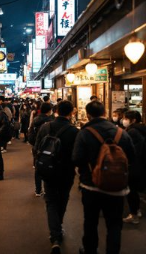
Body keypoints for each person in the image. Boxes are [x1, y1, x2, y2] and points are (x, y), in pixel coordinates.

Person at [72, 101, 135, 254]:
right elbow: (132, 157)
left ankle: (90, 250)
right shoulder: (121, 133)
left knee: (91, 222)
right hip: (117, 188)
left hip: (91, 186)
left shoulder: (85, 133)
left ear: (88, 115)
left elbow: (76, 159)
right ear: (105, 113)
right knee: (114, 224)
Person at [34, 101, 79, 253]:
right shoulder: (74, 131)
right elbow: (77, 155)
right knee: (63, 198)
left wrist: (40, 163)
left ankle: (55, 236)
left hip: (48, 171)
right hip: (66, 172)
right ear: (71, 112)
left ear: (56, 111)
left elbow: (36, 147)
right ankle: (57, 227)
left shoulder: (46, 127)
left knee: (51, 201)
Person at [122, 111, 146, 224]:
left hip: (134, 166)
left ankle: (134, 215)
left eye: (126, 118)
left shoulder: (133, 131)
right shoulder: (141, 129)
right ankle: (137, 210)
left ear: (133, 120)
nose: (123, 120)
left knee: (131, 190)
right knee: (134, 190)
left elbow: (132, 151)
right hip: (140, 165)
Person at [30, 102, 54, 196]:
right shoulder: (51, 121)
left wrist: (34, 146)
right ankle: (48, 189)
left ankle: (38, 190)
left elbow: (30, 133)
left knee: (38, 169)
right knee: (50, 168)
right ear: (49, 111)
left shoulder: (36, 119)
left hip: (38, 147)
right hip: (50, 148)